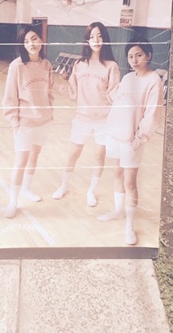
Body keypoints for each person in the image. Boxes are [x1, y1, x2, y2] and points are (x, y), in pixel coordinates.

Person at [98, 35, 164, 245]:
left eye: (139, 55)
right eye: (130, 56)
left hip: (131, 140)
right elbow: (117, 101)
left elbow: (152, 114)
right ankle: (118, 210)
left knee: (130, 181)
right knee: (117, 173)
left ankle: (130, 226)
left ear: (148, 55)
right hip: (115, 135)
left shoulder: (153, 81)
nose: (134, 60)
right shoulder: (127, 78)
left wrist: (139, 139)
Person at [52, 22, 120, 207]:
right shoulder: (79, 64)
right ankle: (63, 185)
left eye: (99, 36)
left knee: (99, 156)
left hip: (104, 121)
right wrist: (61, 82)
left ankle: (91, 191)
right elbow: (73, 92)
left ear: (105, 39)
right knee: (73, 153)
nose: (96, 40)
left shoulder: (111, 66)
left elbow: (114, 94)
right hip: (82, 118)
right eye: (92, 37)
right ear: (87, 40)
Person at [2, 24, 54, 218]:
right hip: (24, 123)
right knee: (20, 161)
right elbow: (9, 97)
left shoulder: (47, 65)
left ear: (41, 40)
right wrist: (14, 122)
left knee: (34, 156)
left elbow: (49, 92)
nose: (31, 44)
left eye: (34, 39)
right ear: (22, 45)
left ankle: (26, 188)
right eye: (26, 41)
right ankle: (13, 201)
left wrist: (50, 113)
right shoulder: (16, 66)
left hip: (44, 121)